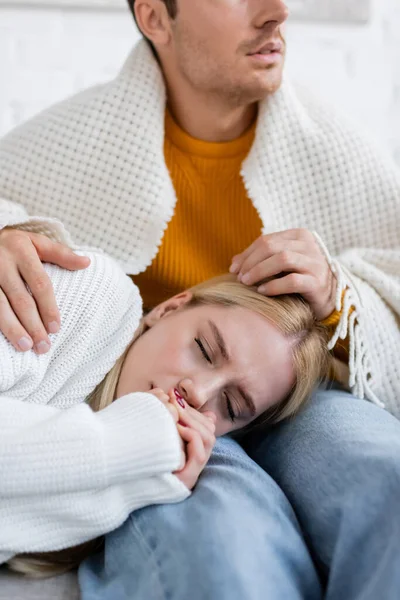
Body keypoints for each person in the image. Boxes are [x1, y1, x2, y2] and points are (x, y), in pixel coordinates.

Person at [0, 0, 399, 597]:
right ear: (157, 17)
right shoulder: (68, 145)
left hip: (297, 394)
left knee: (385, 480)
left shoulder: (336, 152)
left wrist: (342, 296)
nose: (277, 12)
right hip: (160, 404)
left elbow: (388, 276)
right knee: (224, 548)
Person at [0, 236, 330, 576]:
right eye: (204, 349)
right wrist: (126, 440)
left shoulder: (150, 459)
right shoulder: (89, 291)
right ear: (168, 308)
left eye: (231, 406)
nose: (199, 393)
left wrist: (140, 486)